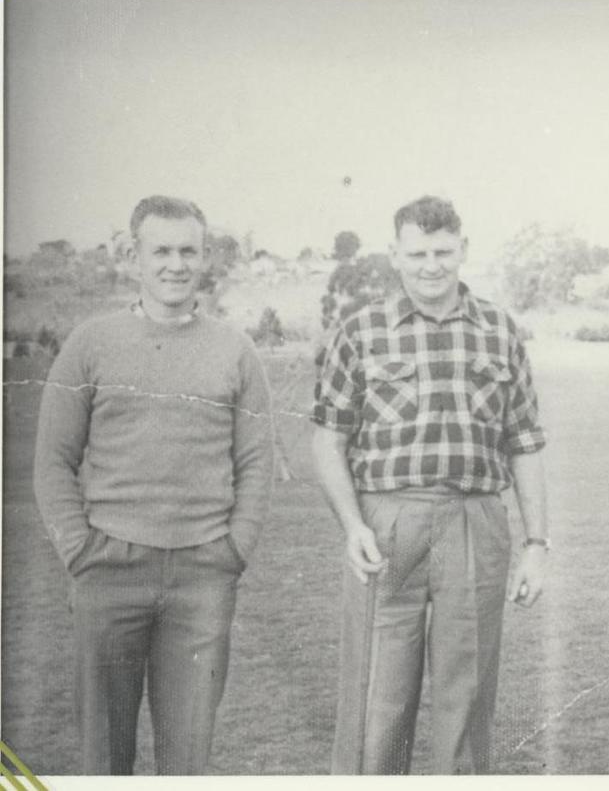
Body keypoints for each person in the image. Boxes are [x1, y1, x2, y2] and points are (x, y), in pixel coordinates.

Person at [33, 195, 274, 774]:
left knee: (187, 756)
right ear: (133, 256)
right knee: (104, 755)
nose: (175, 264)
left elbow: (257, 462)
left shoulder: (235, 348)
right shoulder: (90, 343)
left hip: (202, 574)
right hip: (109, 570)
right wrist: (81, 550)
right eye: (160, 250)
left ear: (204, 257)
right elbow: (52, 460)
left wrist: (232, 550)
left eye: (188, 250)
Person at [312, 195, 550, 775]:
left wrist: (537, 544)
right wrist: (352, 527)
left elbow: (525, 443)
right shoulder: (360, 330)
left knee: (465, 693)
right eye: (417, 253)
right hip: (388, 522)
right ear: (395, 255)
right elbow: (327, 439)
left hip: (475, 518)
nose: (431, 265)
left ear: (463, 249)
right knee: (378, 693)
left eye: (443, 251)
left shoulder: (499, 329)